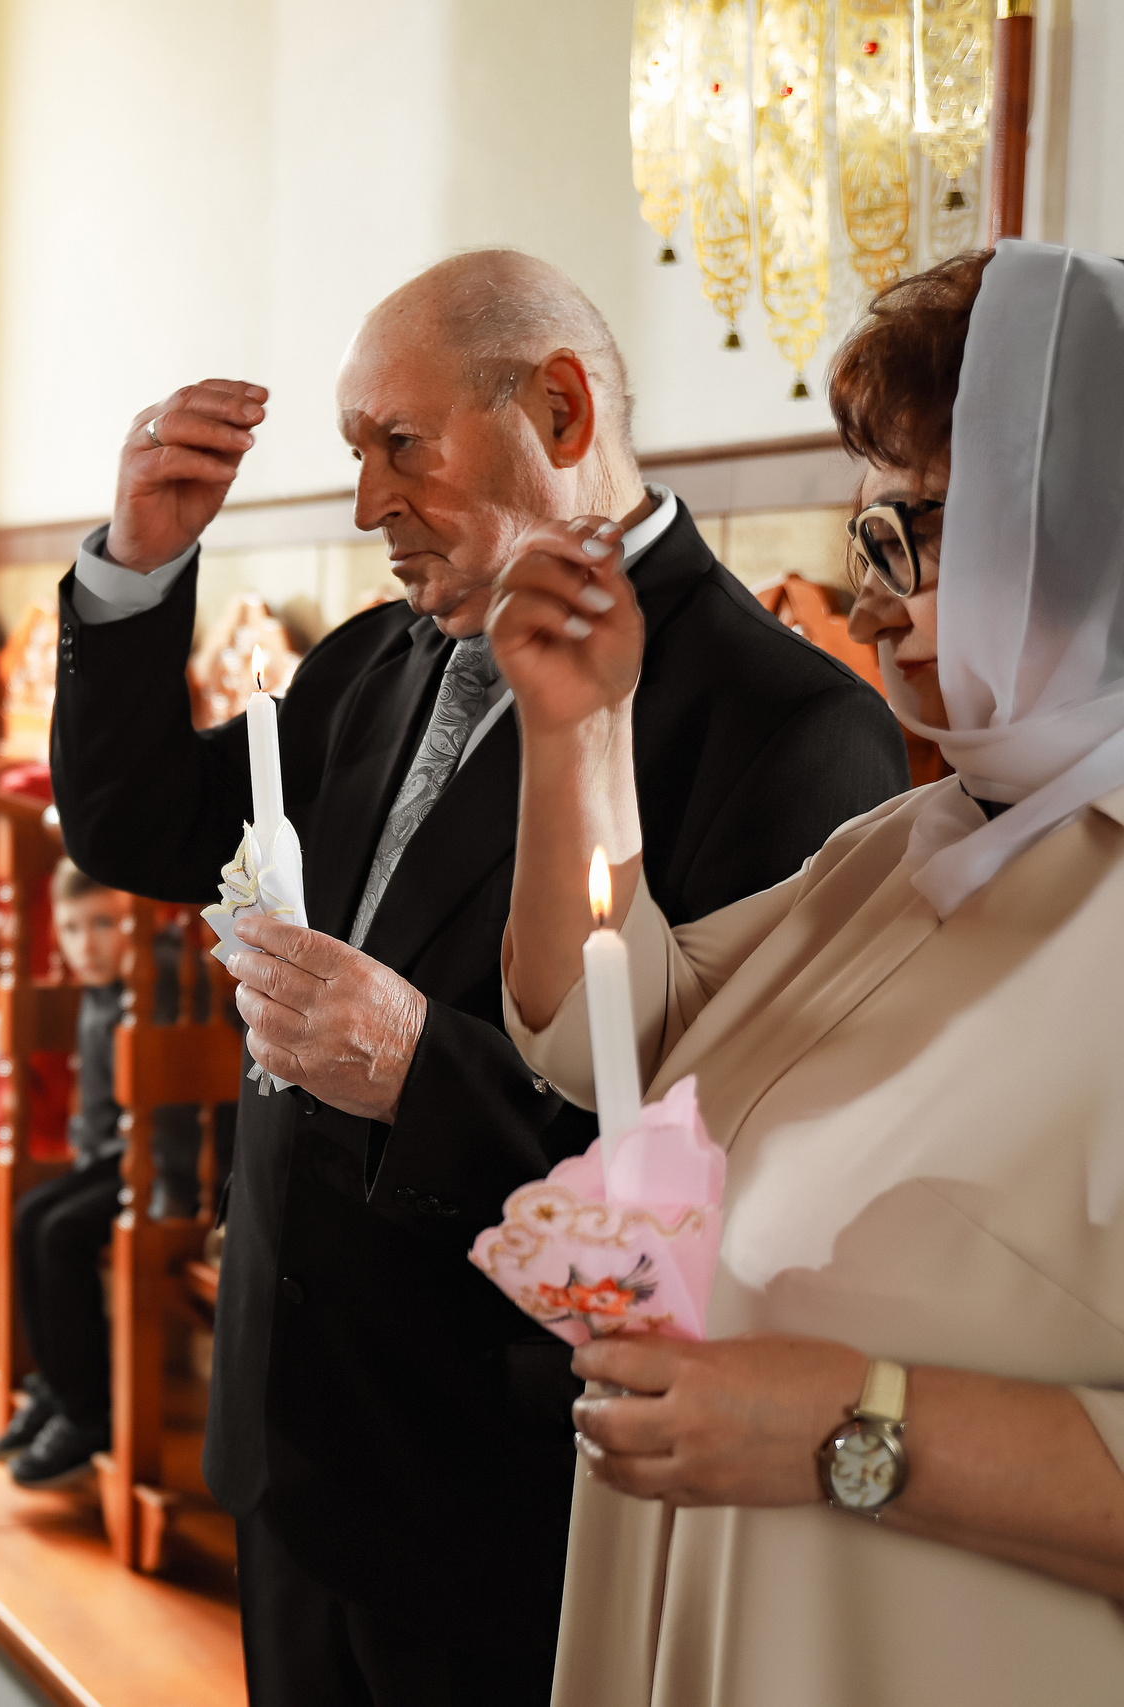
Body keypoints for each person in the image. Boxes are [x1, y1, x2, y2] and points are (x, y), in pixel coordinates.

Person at [48, 250, 910, 1704]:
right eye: (354, 452)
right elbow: (142, 823)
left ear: (560, 410)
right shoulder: (378, 661)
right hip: (293, 1439)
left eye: (403, 444)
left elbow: (744, 1194)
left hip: (505, 1494)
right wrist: (136, 565)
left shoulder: (782, 726)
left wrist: (415, 1071)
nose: (366, 502)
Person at [495, 241, 1124, 1706]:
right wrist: (577, 734)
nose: (875, 599)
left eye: (920, 533)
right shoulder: (905, 847)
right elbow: (602, 1034)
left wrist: (855, 1427)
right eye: (868, 539)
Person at [0, 859, 204, 1488]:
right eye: (72, 928)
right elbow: (99, 1114)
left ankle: (88, 1414)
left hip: (176, 1171)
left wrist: (166, 1200)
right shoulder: (102, 986)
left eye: (104, 924)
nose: (87, 945)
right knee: (32, 1214)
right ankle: (59, 1384)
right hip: (124, 1156)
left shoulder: (161, 979)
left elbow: (182, 1118)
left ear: (141, 920)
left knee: (61, 1233)